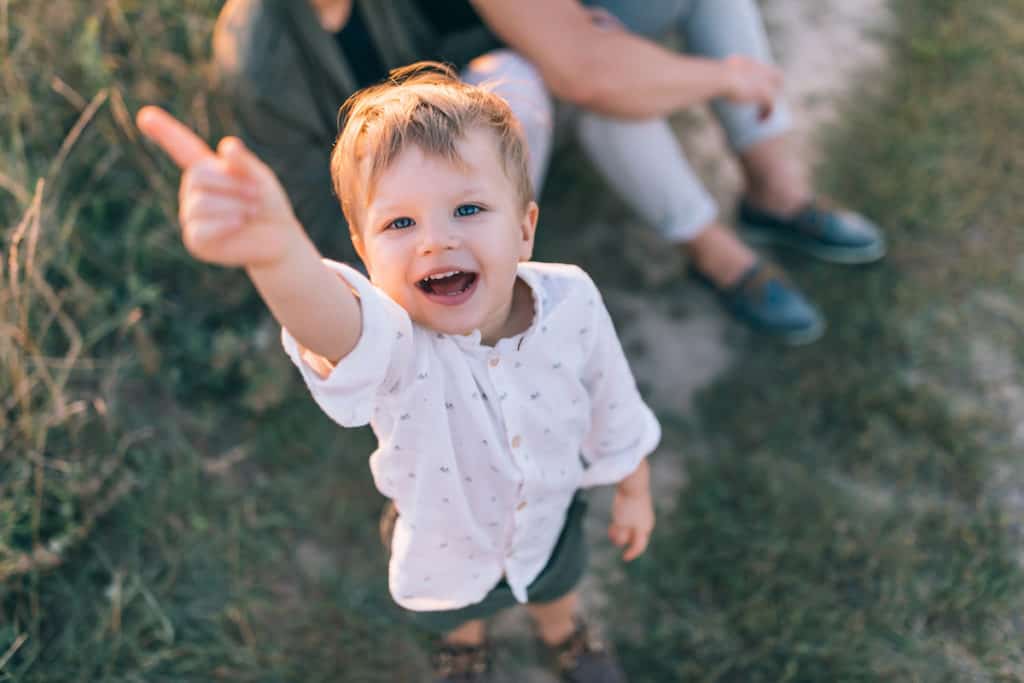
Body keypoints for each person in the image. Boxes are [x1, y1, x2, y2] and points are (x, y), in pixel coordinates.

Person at [137, 64, 661, 683]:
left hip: (551, 510)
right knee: (456, 608)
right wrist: (278, 255)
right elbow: (326, 320)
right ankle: (464, 649)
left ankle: (564, 636)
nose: (435, 242)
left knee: (556, 581)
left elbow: (612, 396)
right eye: (400, 223)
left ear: (524, 229)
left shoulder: (571, 299)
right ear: (363, 253)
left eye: (467, 208)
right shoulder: (396, 344)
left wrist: (632, 483)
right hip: (447, 539)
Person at [212, 0, 885, 347]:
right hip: (389, 237)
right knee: (544, 81)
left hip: (487, 146)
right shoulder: (262, 57)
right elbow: (314, 230)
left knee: (564, 72)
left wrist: (584, 41)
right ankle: (475, 313)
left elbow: (567, 61)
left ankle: (766, 207)